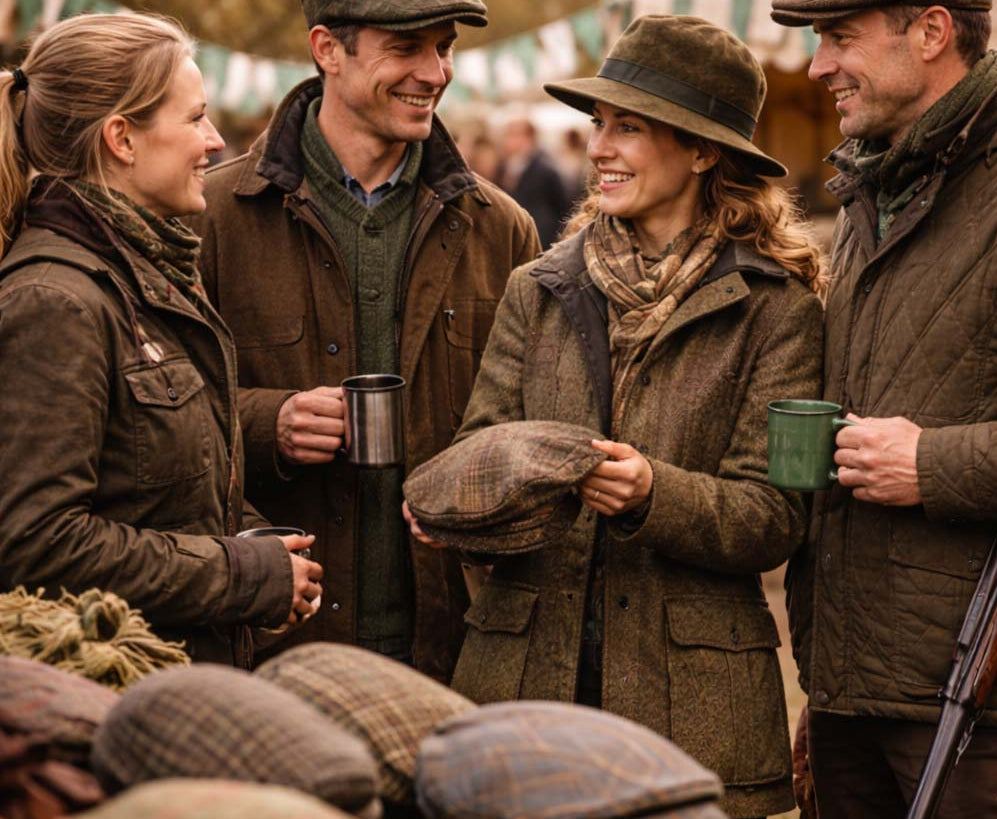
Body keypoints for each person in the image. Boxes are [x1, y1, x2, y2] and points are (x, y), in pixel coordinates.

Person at [406, 15, 824, 818]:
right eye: (599, 124)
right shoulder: (539, 287)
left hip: (694, 702)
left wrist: (651, 494)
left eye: (628, 127)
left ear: (703, 150)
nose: (599, 146)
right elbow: (476, 446)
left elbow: (778, 514)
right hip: (525, 674)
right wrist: (469, 497)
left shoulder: (779, 309)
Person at [189, 0, 540, 680]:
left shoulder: (505, 230)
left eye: (443, 48)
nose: (435, 73)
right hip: (268, 654)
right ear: (328, 49)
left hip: (454, 654)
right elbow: (156, 435)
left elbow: (534, 426)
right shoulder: (211, 220)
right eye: (407, 48)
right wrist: (269, 423)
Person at [0, 13, 321, 667]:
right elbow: (34, 545)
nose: (212, 141)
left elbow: (159, 489)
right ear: (122, 137)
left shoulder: (148, 270)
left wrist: (264, 553)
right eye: (195, 119)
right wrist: (239, 573)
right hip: (109, 709)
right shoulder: (55, 301)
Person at [768, 1, 997, 817]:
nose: (817, 67)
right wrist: (829, 682)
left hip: (982, 711)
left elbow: (923, 444)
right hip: (855, 695)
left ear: (931, 31)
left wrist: (932, 463)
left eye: (840, 38)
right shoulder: (873, 183)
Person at [497, 116, 573, 249]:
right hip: (516, 238)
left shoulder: (546, 169)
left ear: (530, 138)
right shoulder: (504, 167)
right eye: (508, 134)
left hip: (540, 239)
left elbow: (563, 208)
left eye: (515, 135)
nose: (509, 140)